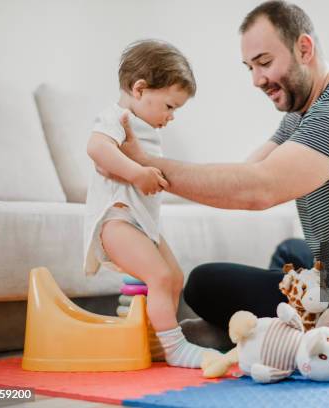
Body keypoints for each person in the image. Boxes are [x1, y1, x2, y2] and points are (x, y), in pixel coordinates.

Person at [111, 1, 329, 335]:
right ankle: (276, 328)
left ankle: (263, 333)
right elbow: (247, 169)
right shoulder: (303, 114)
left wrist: (145, 164)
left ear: (304, 48)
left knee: (203, 283)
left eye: (264, 62)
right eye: (249, 67)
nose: (256, 79)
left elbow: (258, 188)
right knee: (289, 251)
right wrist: (150, 195)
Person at [83, 39, 218, 367]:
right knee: (158, 277)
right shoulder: (117, 117)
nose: (171, 117)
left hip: (142, 224)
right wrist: (136, 172)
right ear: (140, 89)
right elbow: (97, 148)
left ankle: (159, 340)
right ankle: (176, 348)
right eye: (170, 106)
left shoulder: (145, 126)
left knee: (174, 276)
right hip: (116, 222)